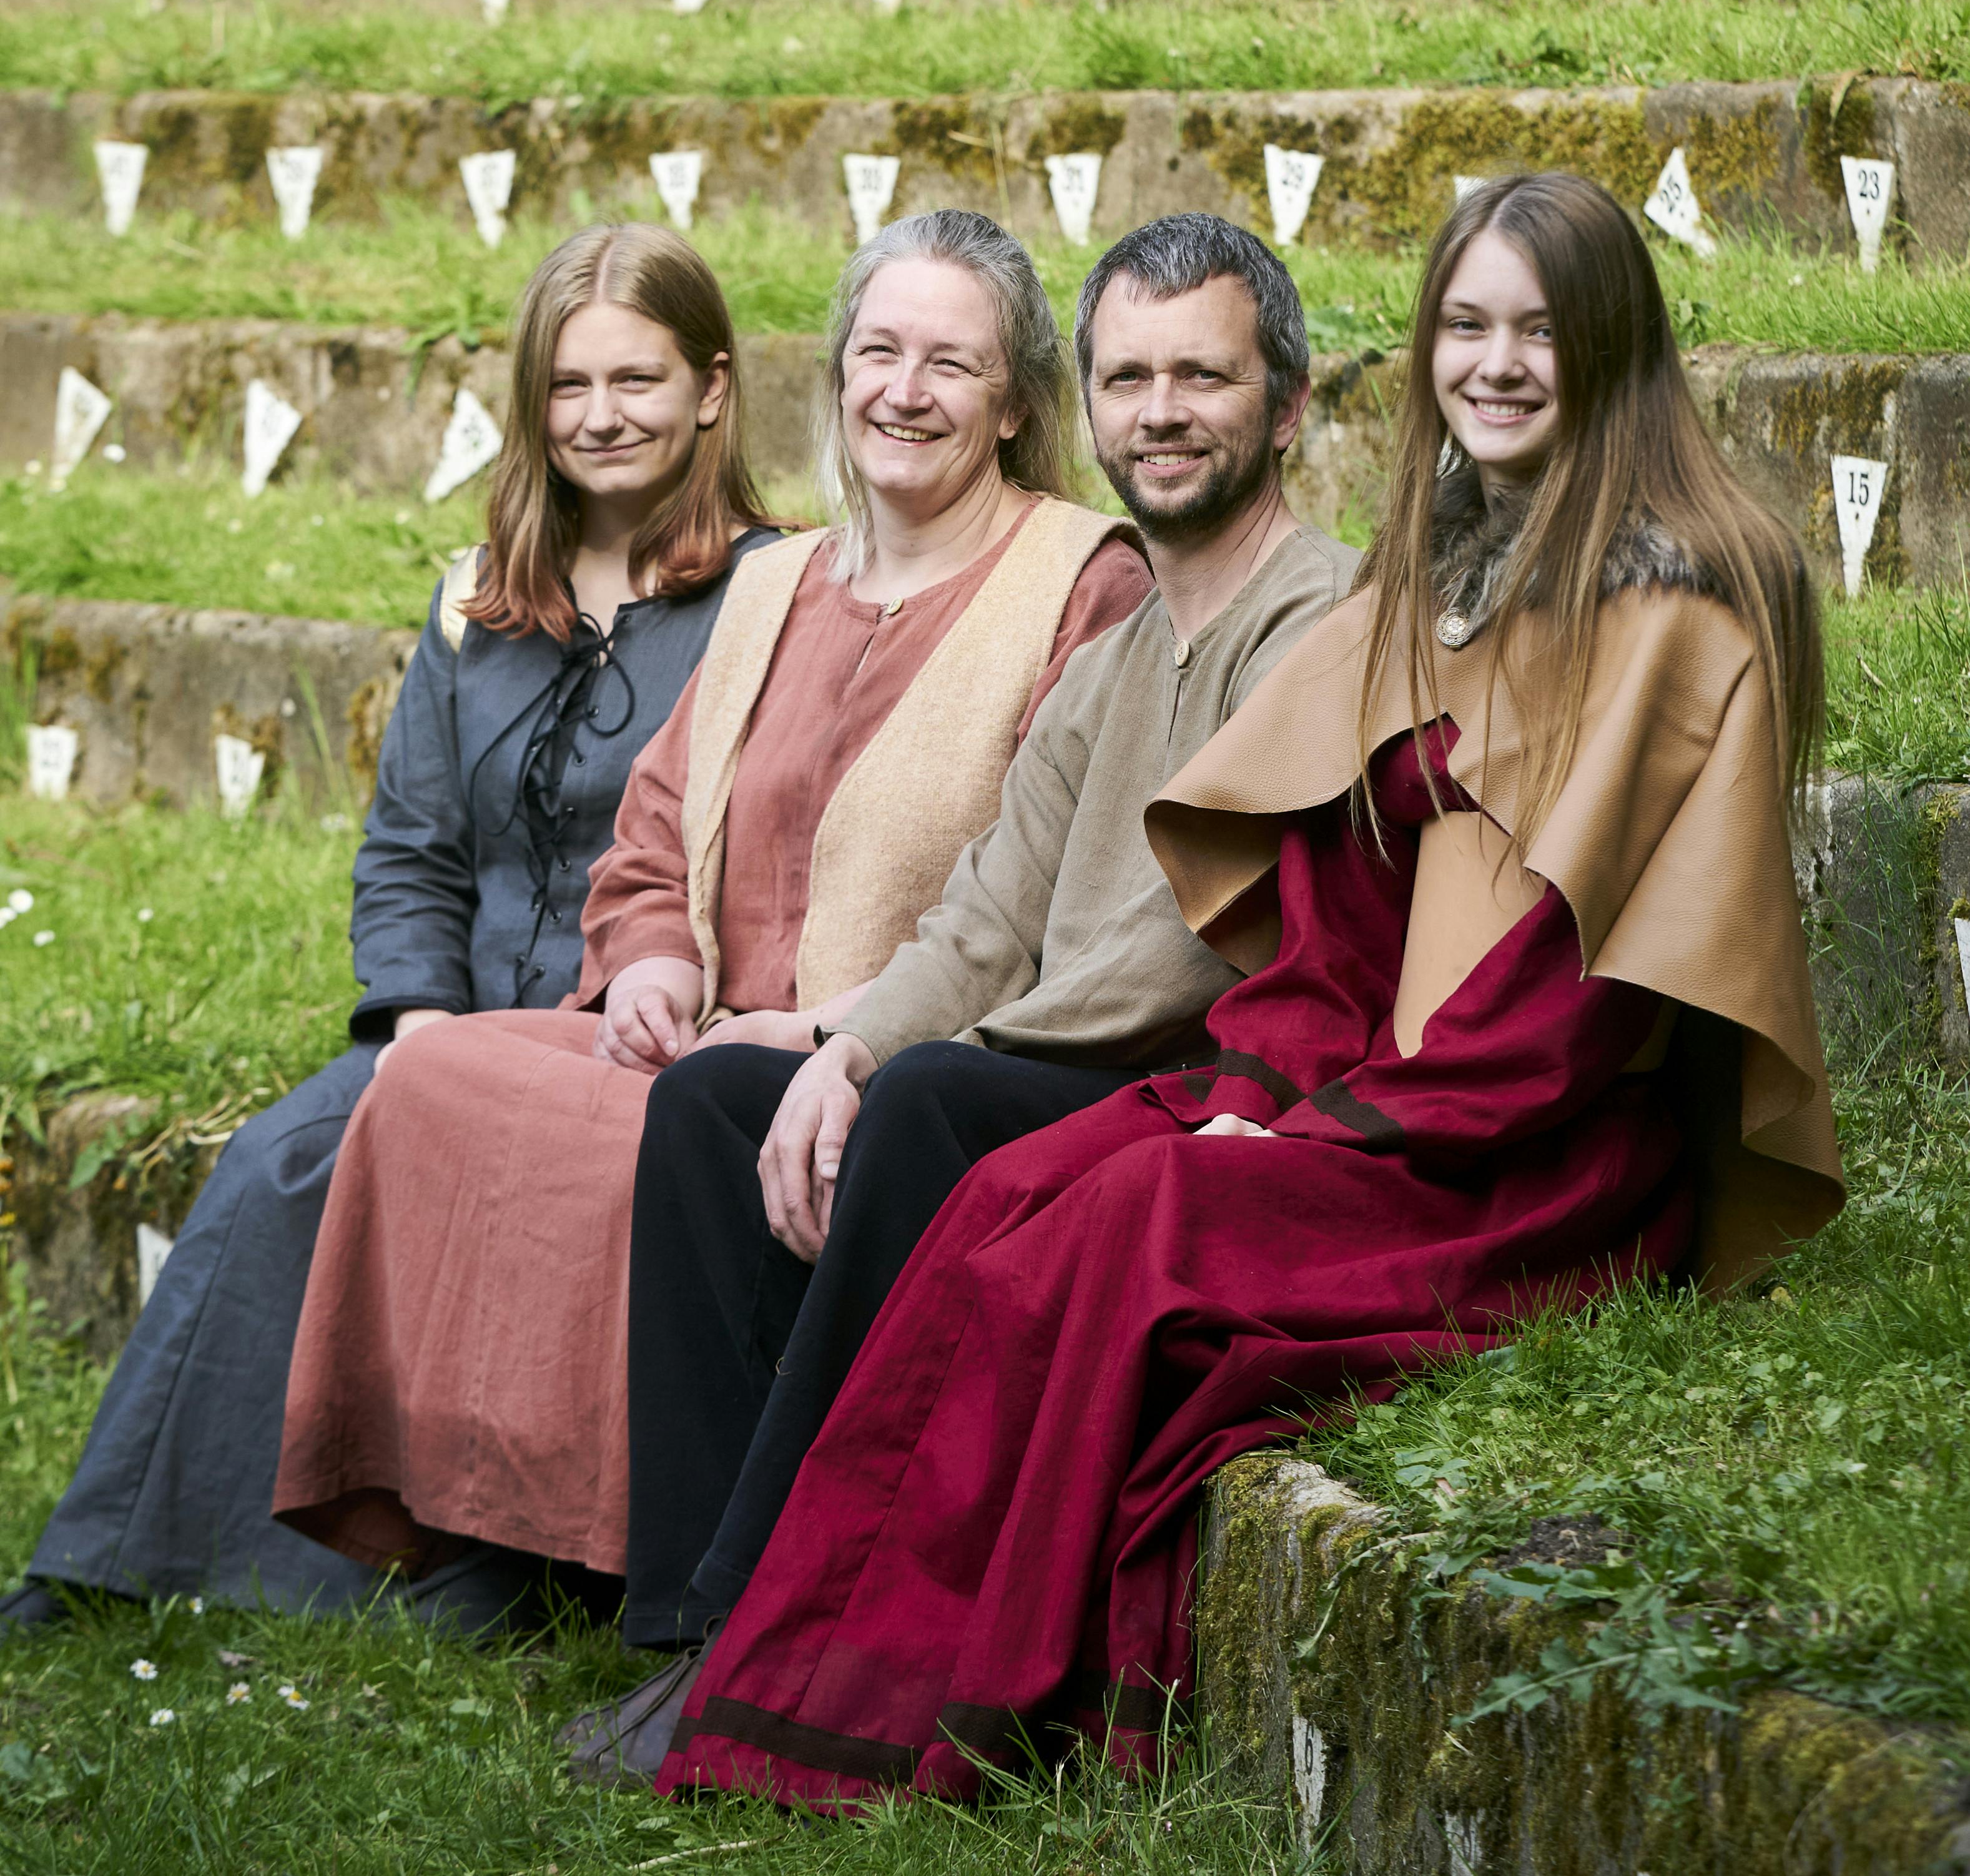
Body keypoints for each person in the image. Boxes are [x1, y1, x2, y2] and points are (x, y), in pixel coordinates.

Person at [640, 170, 1847, 1807]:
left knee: (1130, 1232)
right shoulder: (1436, 590)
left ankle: (928, 1704)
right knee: (1015, 1192)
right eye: (1463, 328)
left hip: (1517, 1158)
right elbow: (1328, 927)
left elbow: (1566, 1008)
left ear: (1610, 349)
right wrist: (1249, 1091)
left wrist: (1314, 1133)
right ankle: (793, 1673)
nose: (1492, 364)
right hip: (1363, 1106)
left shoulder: (1678, 610)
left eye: (1535, 332)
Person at [563, 212, 1361, 1783]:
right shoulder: (1125, 650)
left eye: (1202, 375)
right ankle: (686, 1636)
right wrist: (845, 1037)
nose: (1161, 410)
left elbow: (1190, 951)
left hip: (1208, 1086)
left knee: (932, 1099)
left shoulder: (1319, 616)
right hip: (1056, 1059)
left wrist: (908, 1063)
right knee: (722, 1096)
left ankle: (769, 1630)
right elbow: (992, 909)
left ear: (1288, 404)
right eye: (1130, 377)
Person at [268, 210, 1151, 1613]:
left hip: (884, 1052)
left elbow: (1055, 886)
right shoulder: (781, 577)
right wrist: (649, 960)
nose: (902, 391)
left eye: (949, 364)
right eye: (877, 352)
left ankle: (599, 1545)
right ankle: (502, 1518)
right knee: (432, 1072)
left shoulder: (1084, 579)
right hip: (700, 1030)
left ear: (1017, 404)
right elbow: (656, 825)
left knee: (652, 1131)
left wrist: (845, 1024)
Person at [1, 222, 780, 1635]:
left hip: (640, 1043)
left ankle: (484, 1569)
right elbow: (412, 850)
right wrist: (419, 1023)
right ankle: (114, 1556)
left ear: (713, 389)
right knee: (284, 1155)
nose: (599, 416)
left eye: (637, 380)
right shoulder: (474, 601)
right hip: (456, 1029)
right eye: (567, 384)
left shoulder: (776, 598)